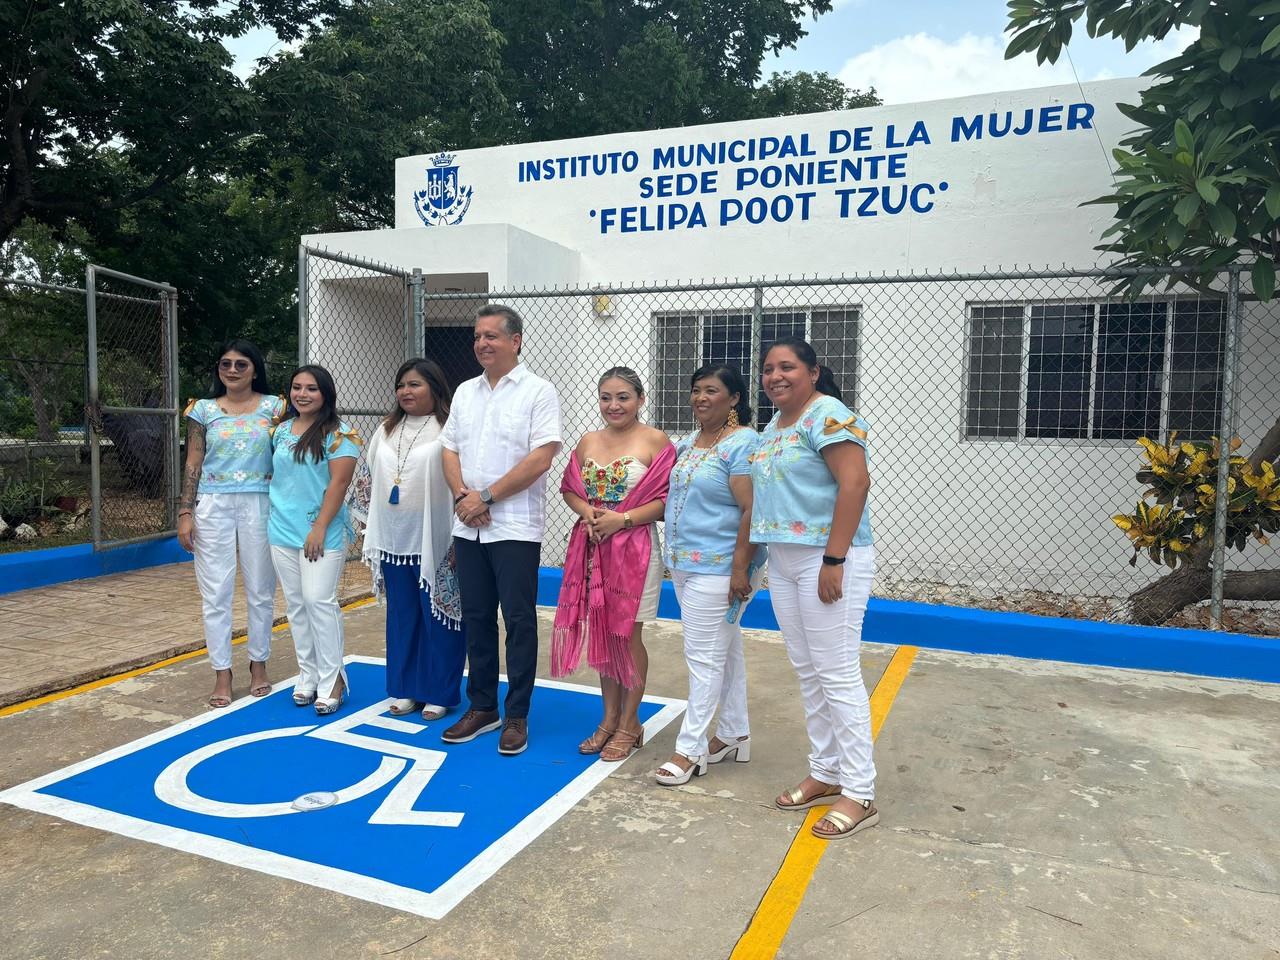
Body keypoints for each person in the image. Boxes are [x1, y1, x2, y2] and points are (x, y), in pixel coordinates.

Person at [750, 336, 879, 841]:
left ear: (813, 371)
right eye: (767, 369)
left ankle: (859, 790)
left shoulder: (829, 415)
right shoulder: (775, 425)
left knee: (837, 672)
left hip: (828, 559)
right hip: (784, 562)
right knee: (808, 671)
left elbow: (856, 484)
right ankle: (825, 770)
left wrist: (834, 558)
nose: (775, 376)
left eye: (786, 367)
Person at [440, 304, 562, 755]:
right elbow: (448, 450)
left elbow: (541, 457)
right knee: (475, 618)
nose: (482, 344)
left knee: (518, 620)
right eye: (477, 336)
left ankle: (517, 715)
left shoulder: (538, 391)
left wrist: (485, 497)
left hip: (513, 526)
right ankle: (482, 707)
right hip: (468, 524)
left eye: (492, 335)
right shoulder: (465, 392)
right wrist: (461, 498)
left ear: (516, 341)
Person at [552, 368, 674, 762]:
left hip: (634, 550)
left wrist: (621, 519)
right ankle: (608, 720)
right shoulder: (588, 440)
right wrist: (589, 512)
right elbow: (570, 488)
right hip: (592, 548)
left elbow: (665, 499)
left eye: (623, 397)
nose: (614, 405)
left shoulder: (656, 441)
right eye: (606, 397)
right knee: (604, 636)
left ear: (640, 398)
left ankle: (630, 722)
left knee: (627, 636)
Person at [654, 364, 760, 786]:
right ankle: (735, 733)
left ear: (733, 398)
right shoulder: (688, 443)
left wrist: (739, 569)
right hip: (683, 564)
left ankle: (690, 749)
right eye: (696, 390)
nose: (700, 398)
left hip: (720, 568)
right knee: (724, 649)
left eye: (711, 391)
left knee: (703, 658)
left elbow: (752, 510)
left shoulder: (742, 444)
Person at [350, 358, 465, 722]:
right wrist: (366, 525)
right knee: (402, 616)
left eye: (415, 384)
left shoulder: (448, 429)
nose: (406, 391)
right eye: (401, 385)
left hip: (437, 539)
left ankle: (439, 692)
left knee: (441, 617)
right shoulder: (385, 429)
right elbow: (367, 479)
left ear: (435, 387)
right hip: (394, 542)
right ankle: (406, 689)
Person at [178, 339, 284, 708]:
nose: (233, 370)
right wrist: (185, 512)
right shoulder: (202, 410)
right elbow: (193, 461)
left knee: (261, 589)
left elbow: (288, 454)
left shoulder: (276, 408)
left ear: (255, 368)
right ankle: (222, 671)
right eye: (226, 364)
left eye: (242, 364)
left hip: (262, 502)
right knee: (216, 593)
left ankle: (259, 664)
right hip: (214, 504)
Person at [268, 365, 361, 715]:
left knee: (318, 600)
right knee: (295, 604)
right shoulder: (279, 432)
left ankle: (333, 678)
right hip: (281, 530)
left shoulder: (341, 435)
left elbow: (339, 484)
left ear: (325, 394)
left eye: (311, 389)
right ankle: (307, 675)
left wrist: (320, 526)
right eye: (296, 387)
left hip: (319, 532)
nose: (302, 394)